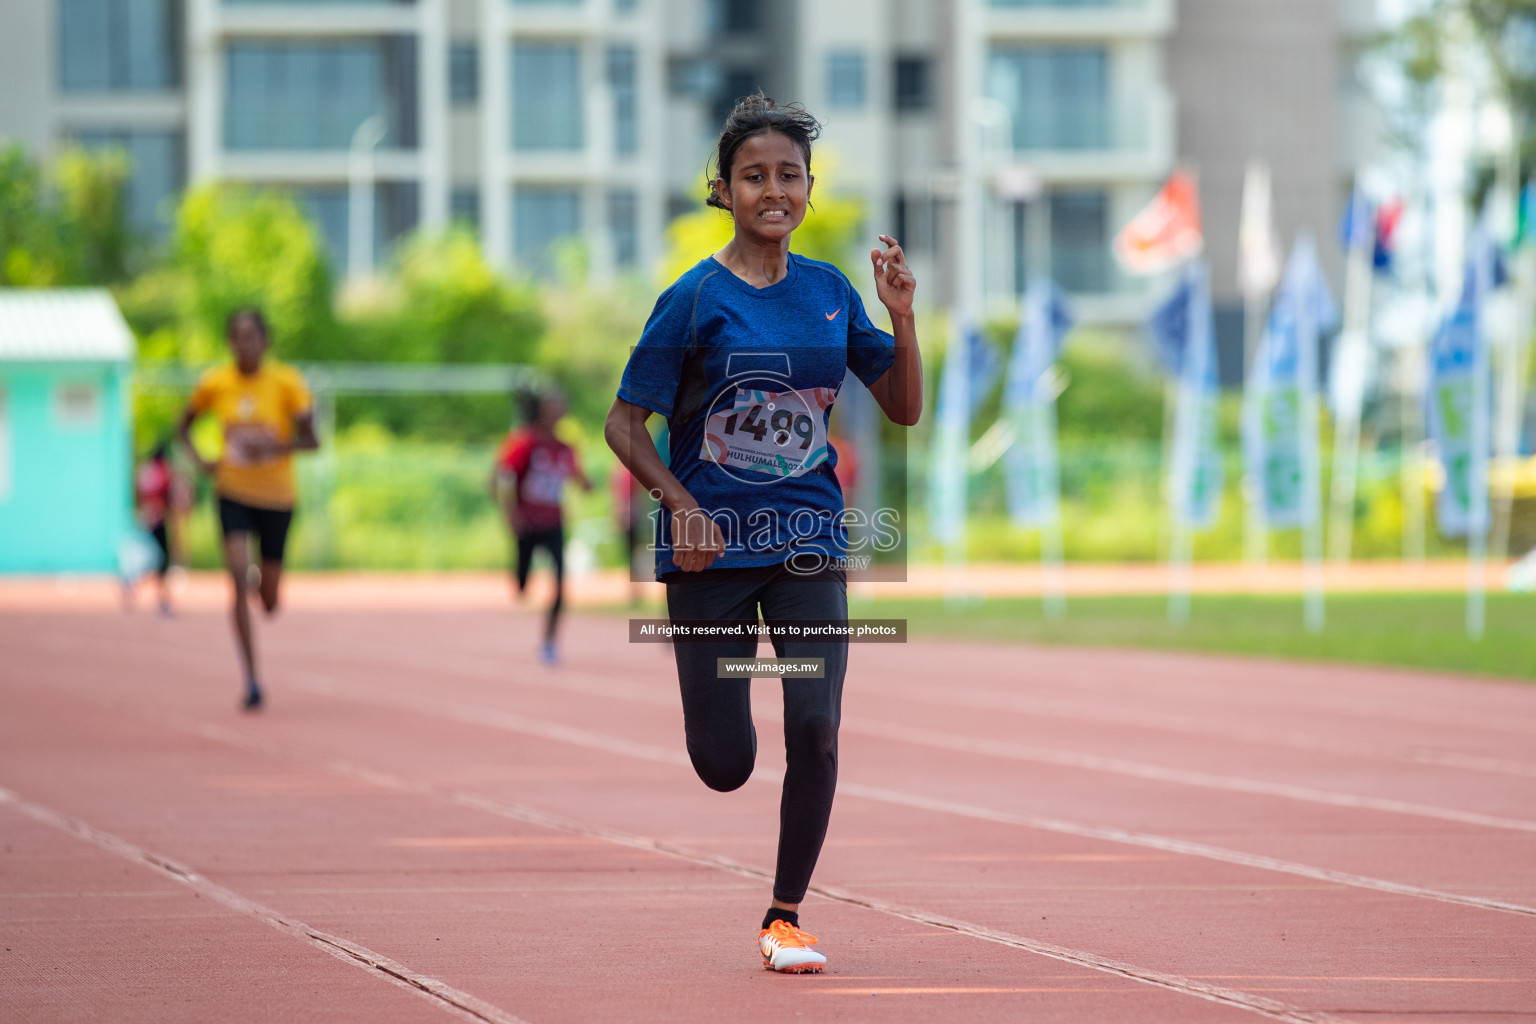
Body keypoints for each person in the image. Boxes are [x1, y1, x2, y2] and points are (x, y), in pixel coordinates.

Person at [604, 93, 921, 974]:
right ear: (724, 189)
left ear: (809, 190)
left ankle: (784, 915)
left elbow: (901, 407)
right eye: (755, 177)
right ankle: (749, 662)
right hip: (710, 555)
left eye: (789, 175)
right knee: (725, 761)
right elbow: (624, 425)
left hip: (808, 539)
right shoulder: (692, 299)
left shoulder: (830, 293)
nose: (773, 190)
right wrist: (681, 504)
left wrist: (901, 315)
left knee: (815, 724)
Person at [178, 308, 318, 711]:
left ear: (265, 341)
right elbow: (184, 424)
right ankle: (252, 679)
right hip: (232, 492)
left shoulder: (287, 383)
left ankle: (265, 581)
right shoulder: (215, 383)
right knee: (237, 579)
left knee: (269, 602)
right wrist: (201, 460)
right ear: (229, 342)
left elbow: (313, 441)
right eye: (237, 336)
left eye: (252, 336)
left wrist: (272, 447)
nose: (245, 344)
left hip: (276, 496)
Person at [492, 388, 591, 665]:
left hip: (553, 523)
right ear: (541, 409)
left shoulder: (565, 448)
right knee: (522, 585)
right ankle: (522, 578)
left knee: (560, 582)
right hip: (527, 524)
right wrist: (510, 513)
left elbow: (579, 479)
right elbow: (502, 475)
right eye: (553, 404)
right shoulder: (524, 442)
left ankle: (549, 642)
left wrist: (587, 484)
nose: (559, 409)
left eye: (561, 404)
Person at [128, 442, 181, 615]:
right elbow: (171, 500)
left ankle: (135, 584)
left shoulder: (145, 472)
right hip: (158, 522)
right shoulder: (165, 472)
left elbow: (137, 493)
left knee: (150, 560)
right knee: (161, 562)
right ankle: (162, 600)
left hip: (145, 520)